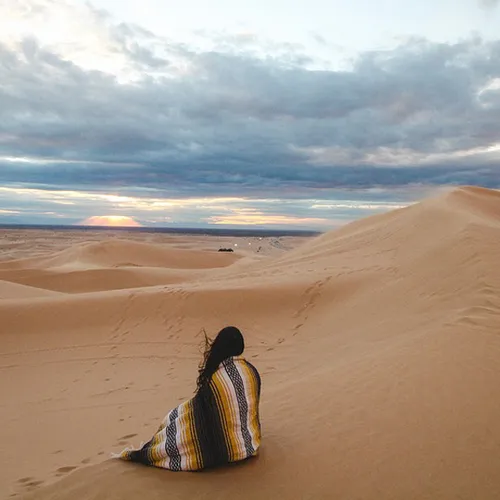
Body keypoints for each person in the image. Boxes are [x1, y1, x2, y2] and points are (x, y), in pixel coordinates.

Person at [117, 326, 262, 471]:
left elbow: (201, 419)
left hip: (229, 455)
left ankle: (151, 450)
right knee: (180, 415)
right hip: (249, 446)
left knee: (176, 420)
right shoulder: (251, 372)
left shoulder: (216, 380)